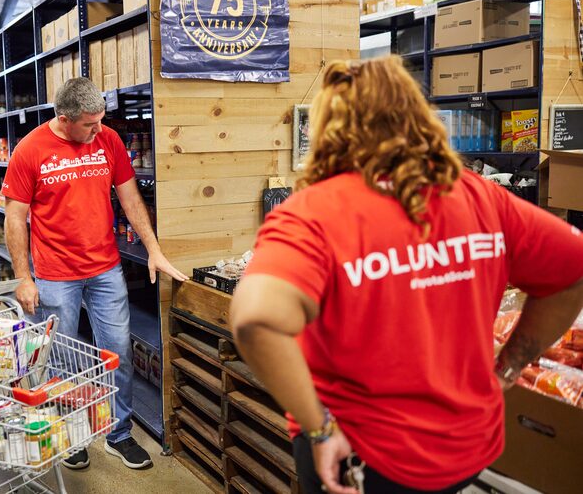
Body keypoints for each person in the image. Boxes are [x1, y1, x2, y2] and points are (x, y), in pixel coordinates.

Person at [228, 56, 583, 494]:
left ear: (327, 130)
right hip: (465, 450)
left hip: (361, 457)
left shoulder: (315, 212)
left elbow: (254, 319)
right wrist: (507, 368)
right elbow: (573, 269)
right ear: (417, 117)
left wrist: (319, 429)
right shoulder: (479, 195)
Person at [3, 77, 188, 470]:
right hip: (55, 273)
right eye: (89, 124)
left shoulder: (109, 141)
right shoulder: (30, 150)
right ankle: (71, 434)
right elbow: (15, 218)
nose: (98, 130)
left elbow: (130, 196)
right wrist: (23, 276)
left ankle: (118, 434)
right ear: (65, 118)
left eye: (100, 121)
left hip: (105, 268)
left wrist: (153, 249)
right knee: (61, 358)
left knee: (117, 352)